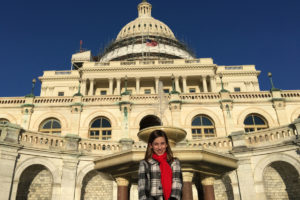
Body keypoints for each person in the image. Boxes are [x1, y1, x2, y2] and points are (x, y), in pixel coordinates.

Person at [138, 130, 182, 200]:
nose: (160, 148)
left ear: (166, 144)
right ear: (150, 145)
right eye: (156, 144)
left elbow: (177, 185)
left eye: (162, 143)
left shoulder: (174, 162)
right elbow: (142, 189)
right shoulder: (144, 163)